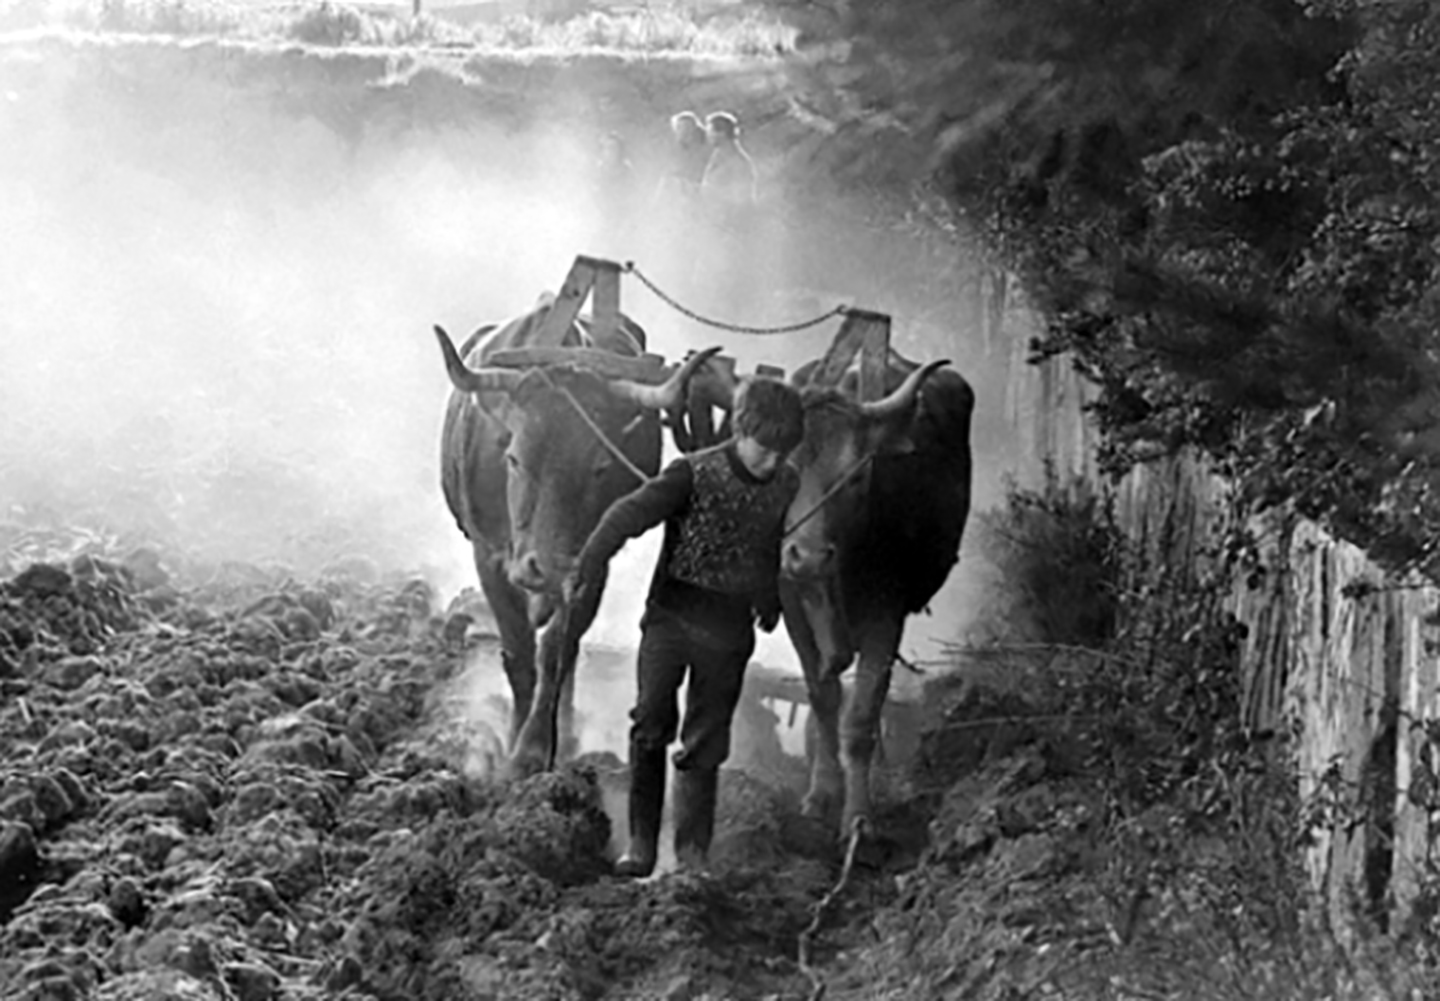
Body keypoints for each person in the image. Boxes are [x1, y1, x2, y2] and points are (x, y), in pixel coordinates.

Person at [566, 376, 805, 877]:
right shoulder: (692, 473)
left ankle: (693, 855)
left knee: (706, 740)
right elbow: (626, 516)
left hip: (729, 633)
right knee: (651, 724)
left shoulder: (786, 484)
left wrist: (769, 598)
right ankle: (642, 847)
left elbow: (769, 542)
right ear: (741, 430)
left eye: (782, 452)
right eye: (765, 449)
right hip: (669, 621)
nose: (772, 462)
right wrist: (588, 562)